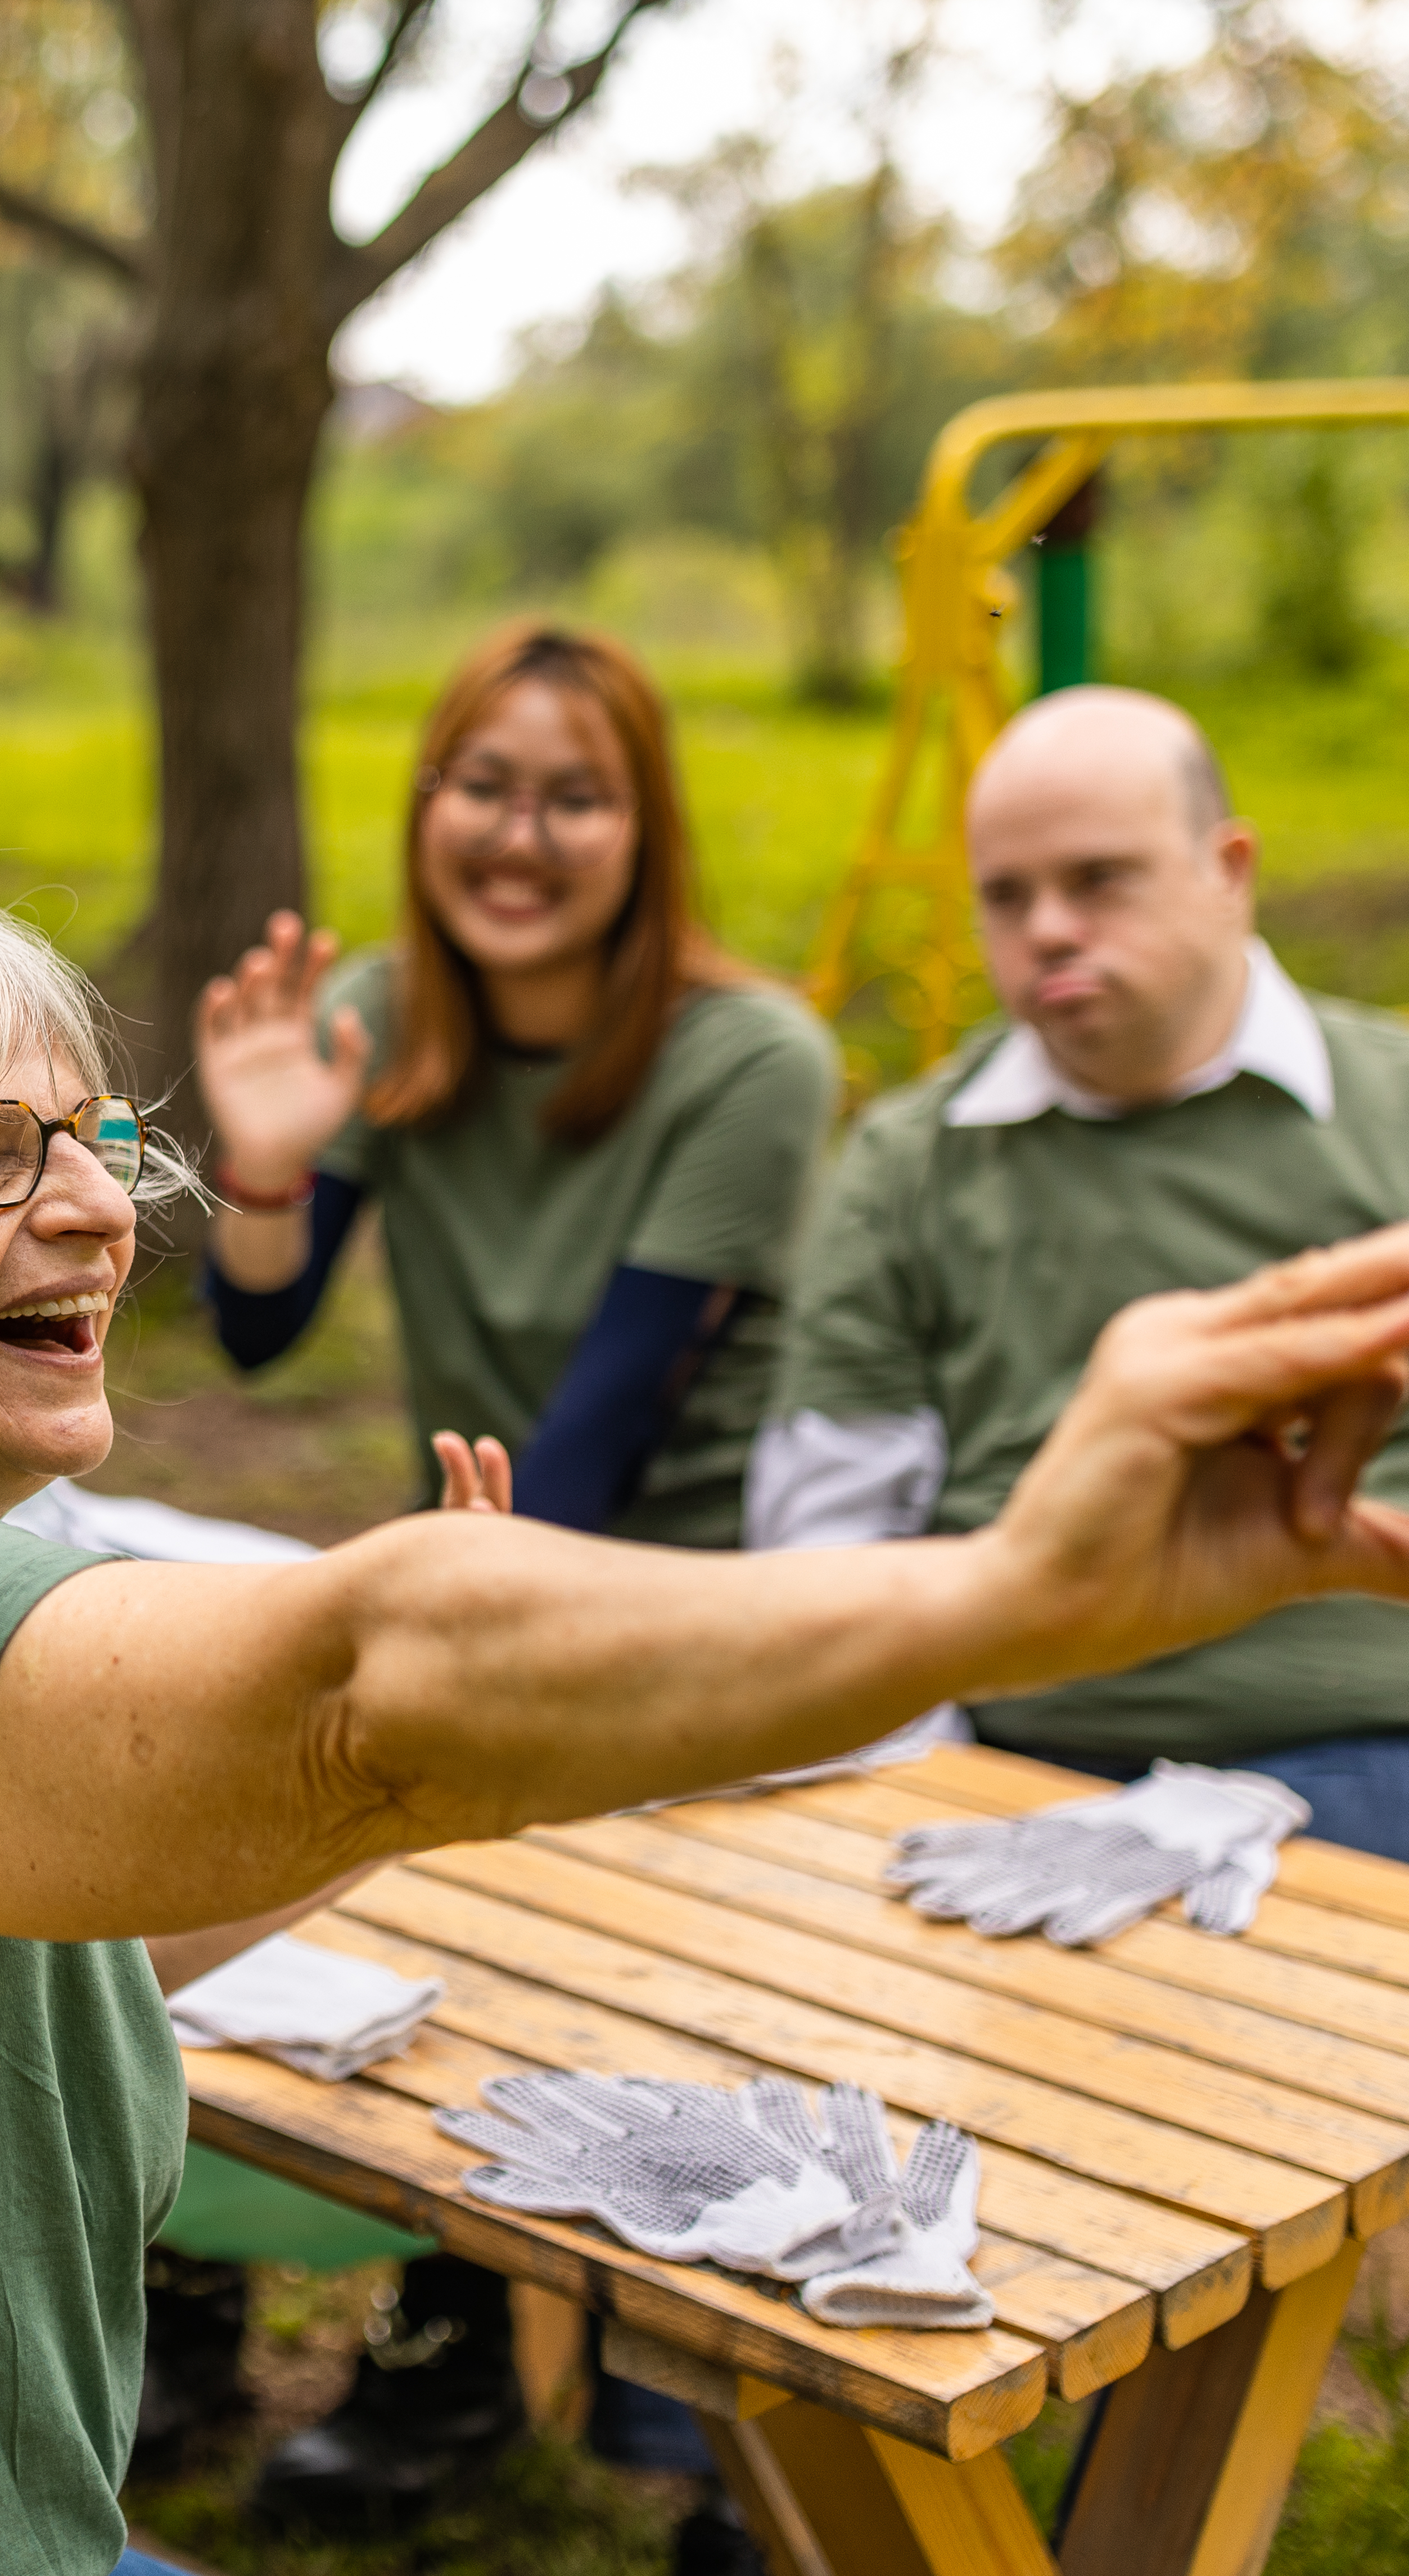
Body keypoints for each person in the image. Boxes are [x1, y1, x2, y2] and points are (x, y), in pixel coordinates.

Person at [0, 874, 1409, 2576]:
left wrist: (376, 1798)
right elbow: (363, 1668)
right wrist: (1016, 1591)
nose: (100, 1198)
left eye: (93, 1130)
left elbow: (14, 1937)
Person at [184, 620, 834, 2550]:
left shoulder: (745, 1061)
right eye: (483, 785)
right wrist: (273, 1164)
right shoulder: (386, 1012)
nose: (519, 834)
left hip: (710, 1613)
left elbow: (608, 1433)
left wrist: (423, 1635)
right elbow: (253, 1326)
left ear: (643, 831)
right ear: (424, 808)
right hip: (481, 1560)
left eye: (573, 794)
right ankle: (346, 2309)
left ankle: (632, 2388)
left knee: (478, 1866)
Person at [751, 684, 1409, 1932]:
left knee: (1233, 2042)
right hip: (1005, 1750)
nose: (1049, 929)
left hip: (1384, 1746)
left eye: (1099, 879)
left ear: (1231, 870)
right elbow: (833, 1517)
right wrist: (915, 1780)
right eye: (1006, 895)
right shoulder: (908, 1166)